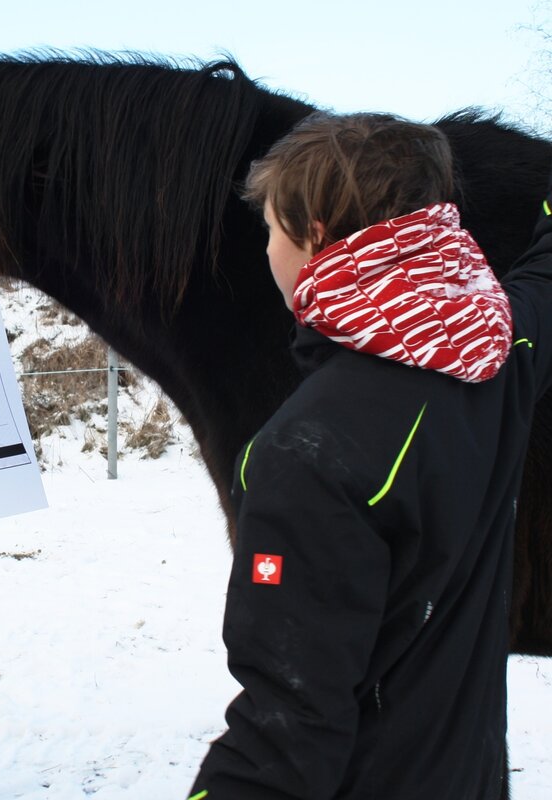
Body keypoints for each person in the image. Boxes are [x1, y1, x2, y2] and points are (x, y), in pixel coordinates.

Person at [187, 112, 552, 800]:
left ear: (315, 237)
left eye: (270, 230)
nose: (267, 251)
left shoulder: (309, 453)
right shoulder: (500, 354)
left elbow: (287, 730)